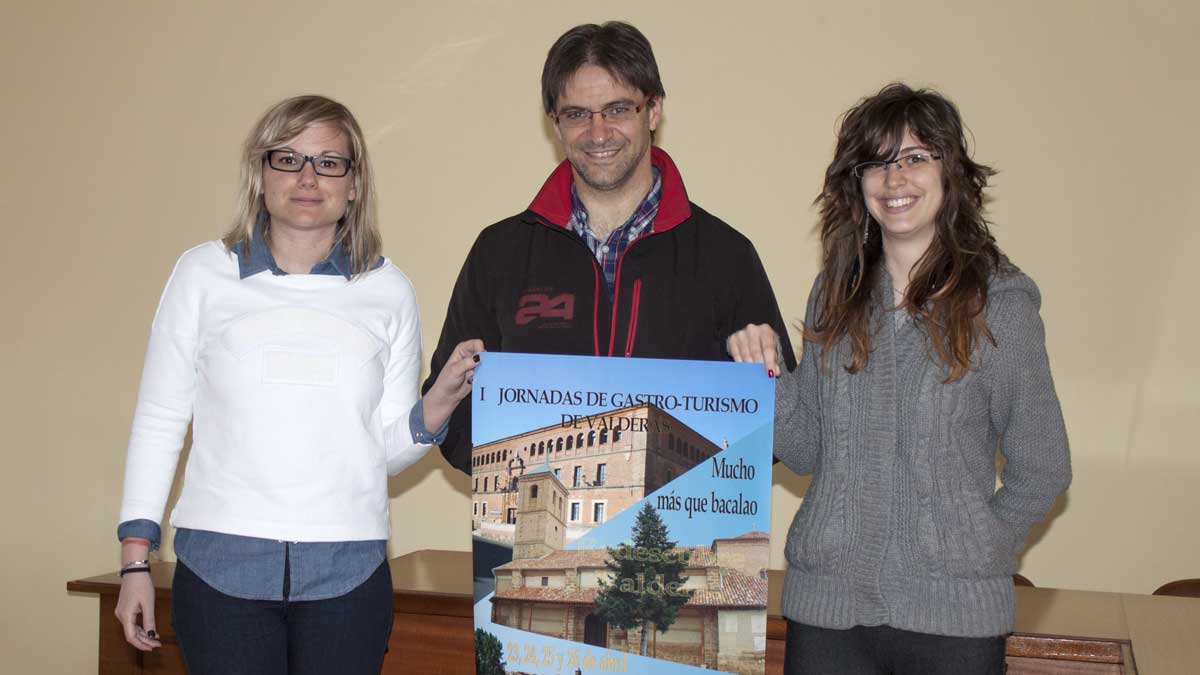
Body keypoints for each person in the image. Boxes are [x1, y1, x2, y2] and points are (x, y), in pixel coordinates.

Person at [113, 95, 481, 675]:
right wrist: (135, 561)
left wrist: (437, 404)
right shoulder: (202, 274)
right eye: (288, 159)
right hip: (219, 570)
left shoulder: (389, 291)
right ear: (260, 174)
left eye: (329, 162)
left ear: (354, 184)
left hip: (349, 573)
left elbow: (384, 453)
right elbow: (159, 420)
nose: (308, 178)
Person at [728, 83, 1072, 674]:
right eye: (876, 163)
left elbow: (1044, 468)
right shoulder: (834, 294)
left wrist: (981, 547)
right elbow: (807, 450)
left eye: (915, 157)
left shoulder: (1002, 303)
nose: (895, 179)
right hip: (828, 615)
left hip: (955, 624)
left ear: (950, 173)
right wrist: (769, 379)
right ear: (856, 183)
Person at [424, 21, 794, 474]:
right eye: (577, 114)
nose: (598, 133)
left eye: (618, 109)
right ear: (554, 124)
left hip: (677, 537)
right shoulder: (498, 253)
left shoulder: (727, 256)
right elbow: (454, 424)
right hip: (537, 530)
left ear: (653, 110)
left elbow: (782, 440)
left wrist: (764, 385)